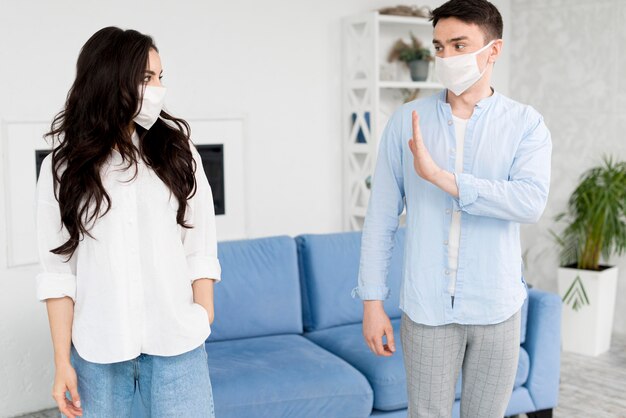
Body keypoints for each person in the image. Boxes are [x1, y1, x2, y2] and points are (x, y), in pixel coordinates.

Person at [353, 0, 552, 417]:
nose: (446, 57)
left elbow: (529, 201)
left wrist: (444, 179)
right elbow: (380, 221)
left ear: (493, 50)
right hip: (427, 311)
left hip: (498, 308)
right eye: (440, 47)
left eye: (459, 45)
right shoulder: (407, 121)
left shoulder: (525, 124)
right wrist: (372, 303)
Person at [36, 27, 220, 418]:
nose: (157, 88)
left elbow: (199, 242)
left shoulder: (178, 151)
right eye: (145, 78)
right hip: (98, 353)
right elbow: (57, 271)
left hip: (177, 347)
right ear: (110, 79)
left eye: (159, 77)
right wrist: (61, 361)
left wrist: (203, 312)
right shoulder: (63, 167)